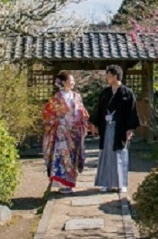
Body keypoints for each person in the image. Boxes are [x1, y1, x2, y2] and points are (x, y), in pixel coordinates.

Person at [89, 64, 140, 193]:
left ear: (116, 76)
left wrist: (130, 129)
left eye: (109, 76)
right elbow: (99, 109)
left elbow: (132, 112)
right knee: (106, 154)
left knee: (120, 155)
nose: (107, 78)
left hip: (120, 128)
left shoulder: (127, 93)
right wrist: (94, 124)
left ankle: (121, 184)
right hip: (107, 127)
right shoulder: (105, 93)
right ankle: (106, 183)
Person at [42, 70, 89, 194]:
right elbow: (48, 113)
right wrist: (57, 121)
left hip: (74, 132)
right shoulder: (56, 98)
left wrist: (83, 122)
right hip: (61, 132)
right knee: (62, 156)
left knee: (73, 158)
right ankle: (63, 184)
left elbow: (82, 111)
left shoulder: (77, 96)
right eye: (70, 80)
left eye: (73, 80)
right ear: (63, 82)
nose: (73, 82)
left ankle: (71, 183)